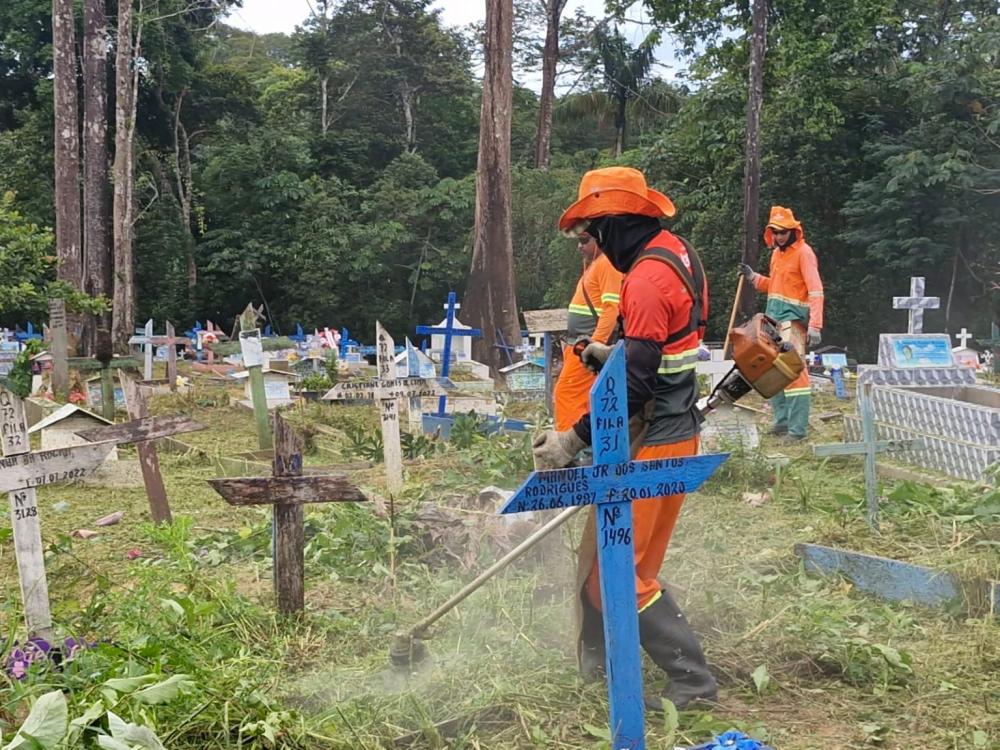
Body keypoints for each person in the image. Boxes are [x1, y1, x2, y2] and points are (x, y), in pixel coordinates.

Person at [533, 166, 716, 711]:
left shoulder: (644, 279)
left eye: (593, 230)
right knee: (635, 569)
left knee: (614, 577)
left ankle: (693, 684)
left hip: (657, 439)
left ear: (616, 225)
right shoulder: (677, 252)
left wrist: (572, 440)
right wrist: (613, 353)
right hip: (675, 431)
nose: (592, 242)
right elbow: (659, 349)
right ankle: (612, 663)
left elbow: (636, 386)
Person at [739, 206, 824, 441]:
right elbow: (775, 285)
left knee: (795, 373)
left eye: (782, 232)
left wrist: (815, 325)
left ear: (793, 231)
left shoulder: (804, 253)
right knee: (772, 370)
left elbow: (816, 291)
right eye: (774, 232)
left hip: (793, 322)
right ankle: (781, 423)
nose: (778, 237)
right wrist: (753, 278)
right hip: (773, 320)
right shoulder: (777, 254)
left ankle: (797, 431)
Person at [553, 232, 623, 431]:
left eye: (584, 240)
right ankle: (583, 444)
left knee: (566, 393)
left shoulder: (608, 264)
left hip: (586, 347)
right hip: (578, 345)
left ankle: (568, 447)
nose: (579, 246)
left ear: (600, 240)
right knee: (582, 398)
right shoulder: (597, 264)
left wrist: (593, 346)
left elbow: (611, 308)